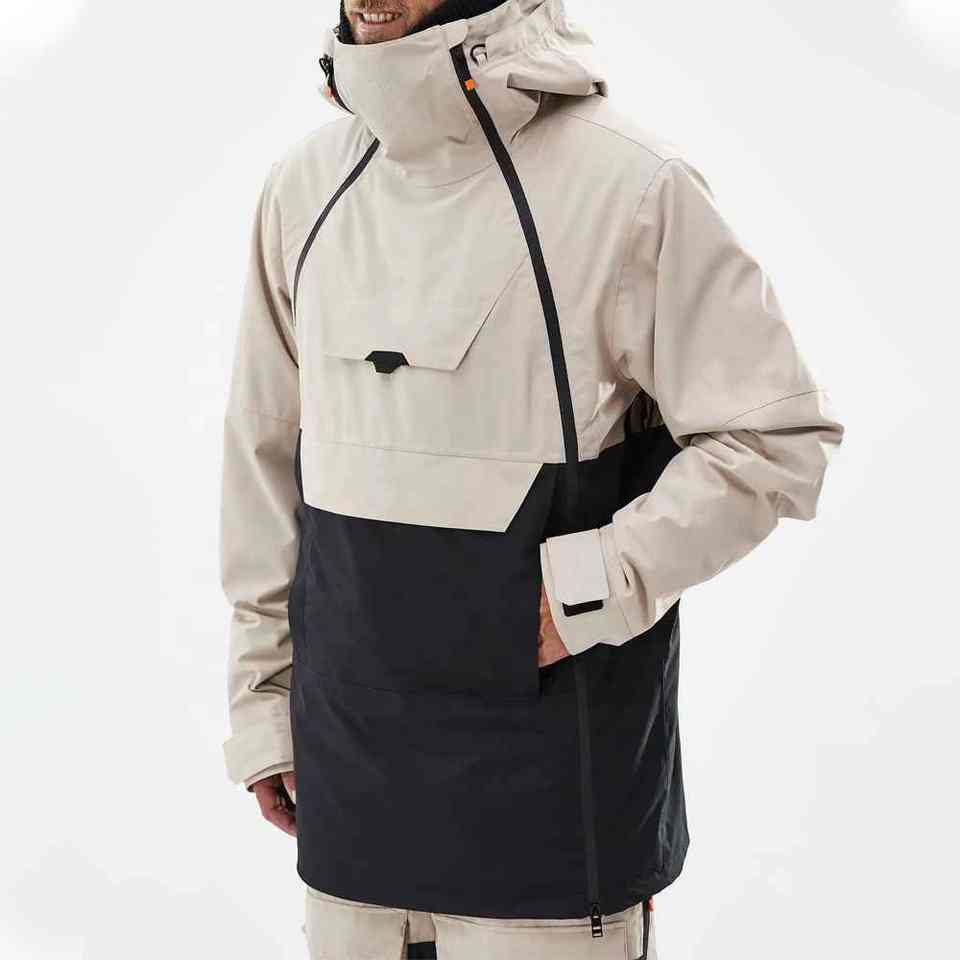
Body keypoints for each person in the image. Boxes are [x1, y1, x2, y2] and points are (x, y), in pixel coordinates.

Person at [218, 0, 845, 956]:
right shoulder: (305, 189)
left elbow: (776, 436)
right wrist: (263, 706)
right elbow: (264, 459)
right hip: (349, 799)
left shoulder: (631, 185)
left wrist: (584, 591)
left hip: (549, 820)